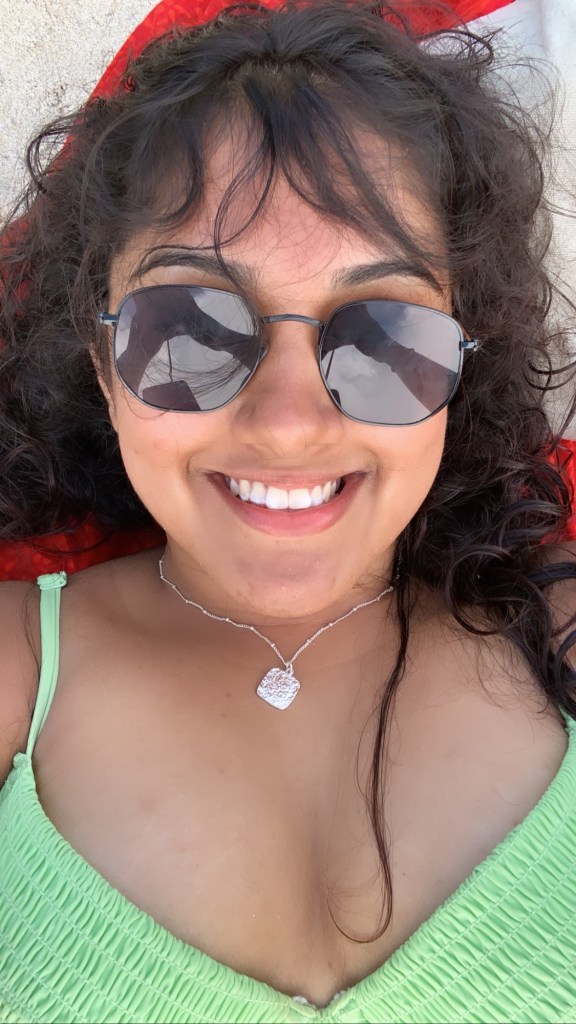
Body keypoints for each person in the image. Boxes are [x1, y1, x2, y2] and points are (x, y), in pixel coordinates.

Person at [0, 1, 575, 1021]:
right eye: (188, 325)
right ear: (101, 359)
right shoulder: (16, 672)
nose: (289, 423)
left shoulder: (558, 637)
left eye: (384, 332)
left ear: (461, 363)